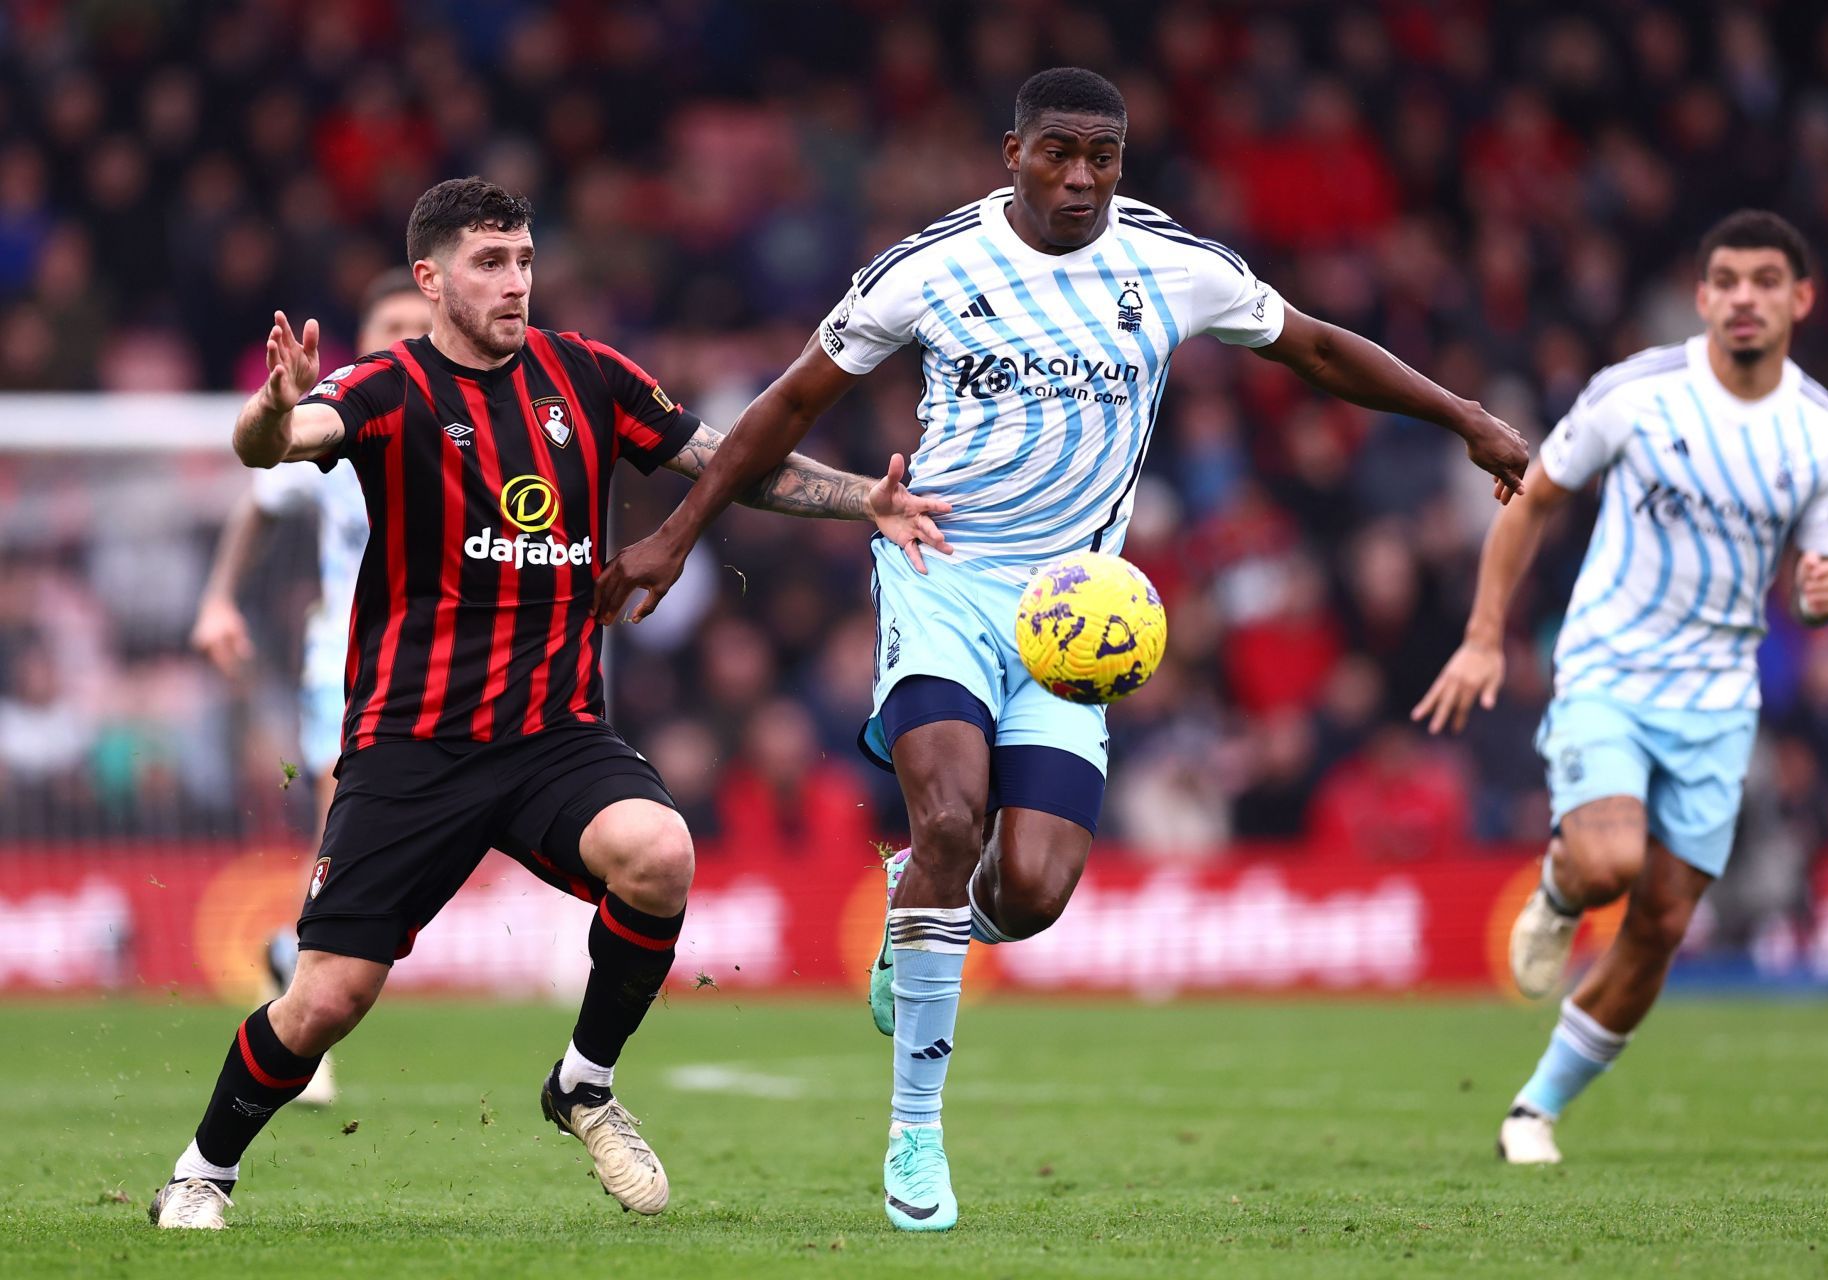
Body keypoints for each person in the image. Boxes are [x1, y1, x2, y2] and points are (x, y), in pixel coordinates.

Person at [591, 68, 1530, 1231]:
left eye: (1103, 155)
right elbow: (790, 404)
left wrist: (1472, 419)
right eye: (1057, 153)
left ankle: (917, 907)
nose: (1080, 177)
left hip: (1074, 609)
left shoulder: (1171, 264)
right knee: (948, 817)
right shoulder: (930, 267)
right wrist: (679, 532)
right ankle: (917, 1132)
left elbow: (1322, 350)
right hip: (938, 576)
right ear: (1011, 153)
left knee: (1030, 890)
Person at [148, 176, 950, 1229]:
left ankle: (582, 1080)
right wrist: (271, 404)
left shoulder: (588, 375)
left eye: (525, 259)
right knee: (329, 997)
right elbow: (277, 447)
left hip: (552, 735)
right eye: (490, 263)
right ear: (431, 278)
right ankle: (204, 1166)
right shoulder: (388, 388)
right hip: (413, 744)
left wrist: (865, 500)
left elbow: (728, 461)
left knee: (661, 853)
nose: (515, 281)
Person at [1412, 210, 1828, 1164]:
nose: (1745, 297)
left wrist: (1820, 599)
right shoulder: (1638, 394)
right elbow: (1532, 499)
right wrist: (1486, 636)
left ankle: (1530, 1112)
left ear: (1800, 299)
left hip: (1720, 700)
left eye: (1766, 281)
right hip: (1610, 669)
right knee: (1610, 865)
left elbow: (1817, 591)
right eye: (1727, 280)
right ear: (1702, 299)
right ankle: (1559, 889)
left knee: (1659, 925)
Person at [189, 267, 432, 1108]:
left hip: (443, 670)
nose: (406, 334)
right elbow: (261, 497)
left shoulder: (466, 414)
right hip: (350, 660)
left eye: (418, 320)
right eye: (390, 323)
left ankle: (297, 968)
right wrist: (219, 598)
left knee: (394, 848)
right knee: (348, 821)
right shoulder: (345, 412)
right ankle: (304, 1013)